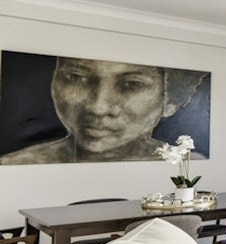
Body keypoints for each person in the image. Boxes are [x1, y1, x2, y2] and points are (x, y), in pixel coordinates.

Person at [0, 57, 207, 164]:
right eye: (76, 77)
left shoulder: (191, 163)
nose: (98, 107)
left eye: (132, 84)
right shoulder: (15, 162)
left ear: (172, 102)